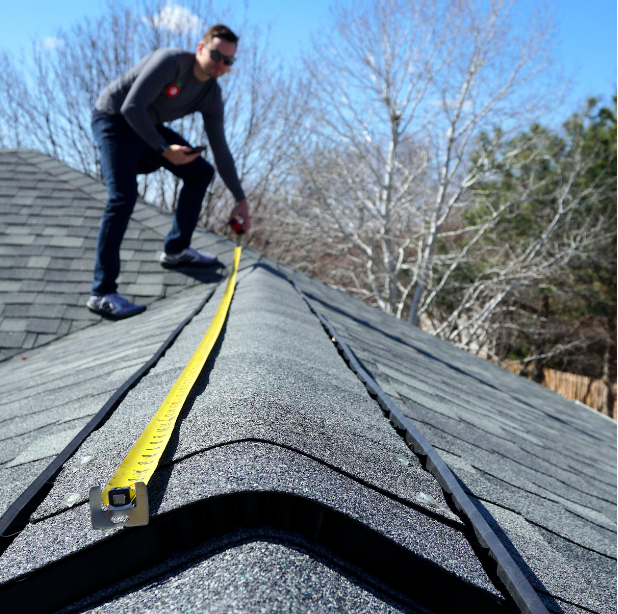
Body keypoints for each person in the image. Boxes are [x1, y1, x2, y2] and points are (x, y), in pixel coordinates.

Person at [87, 24, 250, 319]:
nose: (221, 65)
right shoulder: (170, 62)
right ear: (200, 48)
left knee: (201, 172)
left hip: (148, 128)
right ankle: (102, 293)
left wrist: (241, 199)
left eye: (229, 61)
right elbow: (131, 107)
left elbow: (221, 149)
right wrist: (164, 149)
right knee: (123, 198)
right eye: (216, 55)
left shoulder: (211, 94)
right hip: (114, 119)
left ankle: (176, 250)